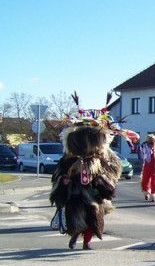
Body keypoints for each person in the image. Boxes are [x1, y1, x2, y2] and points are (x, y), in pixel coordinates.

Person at [50, 92, 138, 250]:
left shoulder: (103, 158)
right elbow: (58, 174)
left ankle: (87, 241)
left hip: (94, 193)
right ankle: (75, 236)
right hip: (76, 193)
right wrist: (64, 180)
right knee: (76, 215)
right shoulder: (69, 158)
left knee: (94, 214)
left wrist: (101, 180)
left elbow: (112, 172)